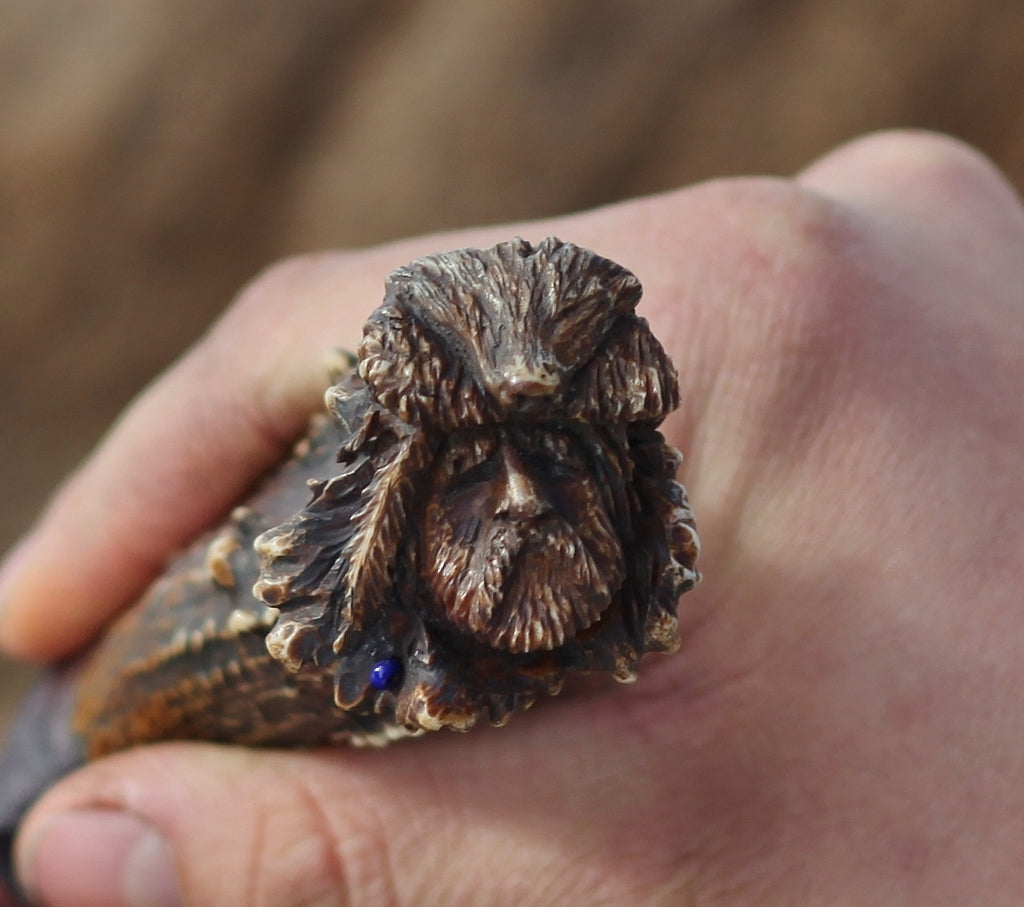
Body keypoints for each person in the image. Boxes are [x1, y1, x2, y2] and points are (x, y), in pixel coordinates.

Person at [1, 130, 1023, 906]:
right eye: (467, 472)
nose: (528, 497)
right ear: (387, 514)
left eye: (566, 456)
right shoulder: (351, 601)